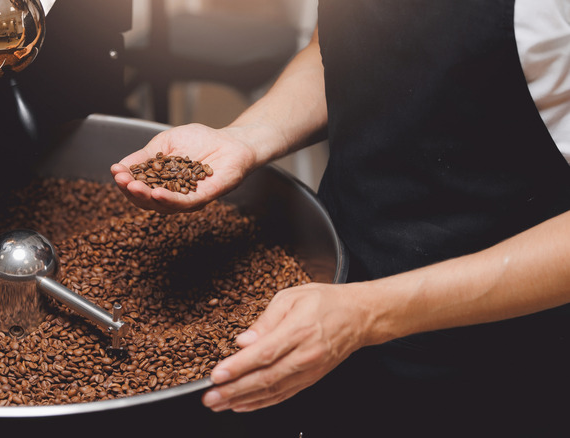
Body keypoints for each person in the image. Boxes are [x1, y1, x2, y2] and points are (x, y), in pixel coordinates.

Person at [111, 0, 570, 434]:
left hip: (492, 353)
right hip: (330, 293)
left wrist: (369, 314)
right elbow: (333, 52)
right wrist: (246, 138)